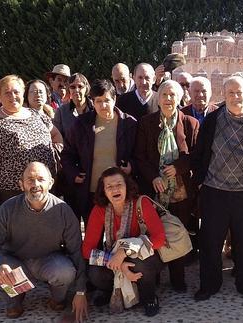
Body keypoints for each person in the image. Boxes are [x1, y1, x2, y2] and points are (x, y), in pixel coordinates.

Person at [192, 76, 243, 302]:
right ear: (224, 95)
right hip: (214, 192)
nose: (236, 97)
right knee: (210, 243)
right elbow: (199, 154)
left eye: (240, 93)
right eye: (231, 93)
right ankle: (209, 285)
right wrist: (200, 182)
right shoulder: (212, 120)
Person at [0, 162, 88, 320]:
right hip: (14, 262)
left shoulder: (63, 211)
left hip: (48, 261)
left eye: (40, 179)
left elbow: (76, 251)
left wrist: (80, 291)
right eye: (30, 180)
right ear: (21, 184)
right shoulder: (7, 208)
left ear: (51, 183)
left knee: (65, 272)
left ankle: (57, 298)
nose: (35, 184)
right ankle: (15, 300)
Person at [135, 80, 199, 291]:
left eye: (173, 95)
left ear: (179, 98)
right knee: (154, 233)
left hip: (180, 192)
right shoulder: (146, 123)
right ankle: (153, 277)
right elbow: (140, 156)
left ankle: (178, 278)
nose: (168, 99)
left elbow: (196, 155)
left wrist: (179, 167)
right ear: (158, 98)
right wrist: (154, 176)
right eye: (164, 95)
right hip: (154, 190)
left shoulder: (190, 123)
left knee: (177, 233)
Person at [82, 167, 165, 317]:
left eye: (119, 184)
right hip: (114, 258)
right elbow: (87, 250)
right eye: (109, 186)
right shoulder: (99, 210)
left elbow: (159, 239)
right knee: (94, 272)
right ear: (104, 191)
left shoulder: (142, 203)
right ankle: (111, 290)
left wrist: (125, 251)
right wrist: (120, 264)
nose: (115, 189)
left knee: (139, 263)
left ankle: (149, 297)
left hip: (145, 257)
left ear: (127, 186)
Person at [0, 75, 62, 208]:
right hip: (11, 191)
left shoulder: (36, 115)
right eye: (7, 92)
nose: (12, 96)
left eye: (16, 92)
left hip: (43, 187)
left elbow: (56, 135)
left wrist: (54, 152)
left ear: (23, 93)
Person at [60, 79, 137, 226]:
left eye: (107, 100)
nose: (103, 105)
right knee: (93, 236)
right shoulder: (82, 124)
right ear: (93, 102)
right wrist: (74, 173)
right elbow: (67, 154)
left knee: (119, 236)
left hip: (119, 191)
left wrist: (131, 166)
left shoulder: (129, 123)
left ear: (115, 99)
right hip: (92, 191)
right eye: (98, 101)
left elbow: (139, 153)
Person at [53, 73, 93, 138]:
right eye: (72, 87)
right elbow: (57, 137)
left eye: (80, 86)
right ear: (69, 89)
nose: (76, 90)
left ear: (86, 88)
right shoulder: (61, 112)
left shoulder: (95, 108)